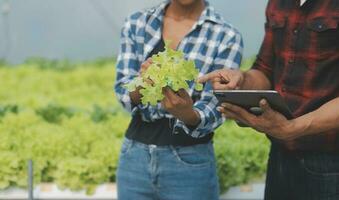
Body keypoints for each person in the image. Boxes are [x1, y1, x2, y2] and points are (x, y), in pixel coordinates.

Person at [199, 0, 339, 199]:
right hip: (280, 156)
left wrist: (294, 127)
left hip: (330, 163)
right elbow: (265, 69)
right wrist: (240, 80)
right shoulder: (278, 3)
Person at [114, 0, 243, 199]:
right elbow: (124, 90)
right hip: (134, 157)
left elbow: (215, 105)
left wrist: (189, 114)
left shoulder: (226, 36)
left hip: (190, 162)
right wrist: (143, 83)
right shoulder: (137, 23)